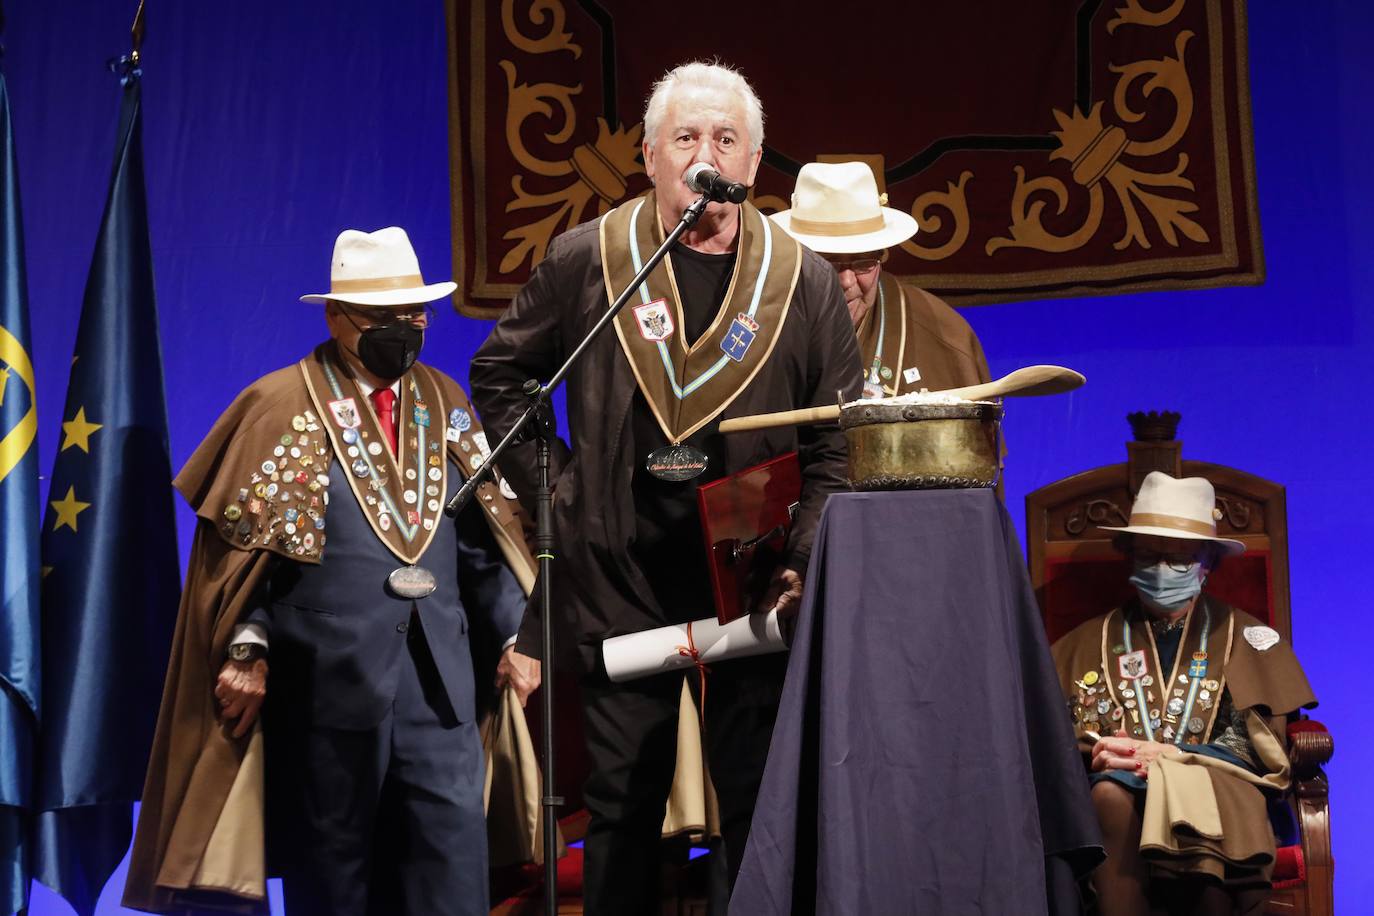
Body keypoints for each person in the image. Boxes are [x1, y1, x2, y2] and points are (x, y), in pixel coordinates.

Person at [469, 61, 862, 912]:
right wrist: (559, 500)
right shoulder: (588, 260)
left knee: (759, 800)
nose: (705, 155)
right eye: (686, 138)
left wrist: (801, 557)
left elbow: (836, 445)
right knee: (620, 806)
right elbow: (501, 375)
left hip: (752, 582)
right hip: (621, 577)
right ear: (648, 157)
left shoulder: (807, 282)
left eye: (726, 139)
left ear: (756, 164)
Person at [124, 227, 541, 916]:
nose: (404, 331)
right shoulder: (280, 404)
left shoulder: (445, 402)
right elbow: (240, 560)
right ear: (337, 318)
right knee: (336, 878)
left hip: (440, 685)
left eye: (415, 316)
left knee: (452, 868)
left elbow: (484, 543)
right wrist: (246, 646)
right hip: (325, 682)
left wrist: (510, 638)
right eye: (384, 320)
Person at [1051, 472, 1317, 916]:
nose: (1161, 570)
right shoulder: (1082, 642)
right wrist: (1102, 751)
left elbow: (1256, 743)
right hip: (1116, 784)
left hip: (1217, 782)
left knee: (1198, 800)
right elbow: (1056, 736)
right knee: (1109, 797)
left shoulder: (1247, 636)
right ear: (1129, 559)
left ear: (1207, 563)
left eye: (1178, 559)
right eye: (1149, 556)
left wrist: (1170, 757)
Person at [772, 160, 991, 398]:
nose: (846, 281)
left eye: (864, 263)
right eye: (827, 263)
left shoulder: (946, 337)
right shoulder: (759, 318)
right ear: (796, 258)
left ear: (880, 258)